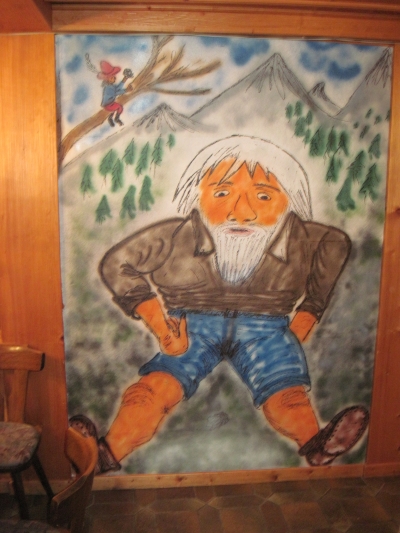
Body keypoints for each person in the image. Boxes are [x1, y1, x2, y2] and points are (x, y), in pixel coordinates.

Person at [70, 135, 369, 474]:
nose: (242, 212)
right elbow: (117, 264)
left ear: (290, 202)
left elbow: (336, 246)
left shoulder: (307, 238)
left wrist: (300, 325)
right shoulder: (175, 235)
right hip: (191, 325)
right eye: (223, 194)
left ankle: (317, 445)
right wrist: (163, 329)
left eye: (264, 196)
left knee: (287, 395)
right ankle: (104, 455)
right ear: (197, 196)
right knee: (152, 392)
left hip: (266, 327)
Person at [97, 60, 133, 127]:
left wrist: (125, 78)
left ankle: (110, 118)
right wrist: (126, 90)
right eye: (112, 77)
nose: (115, 78)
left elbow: (118, 88)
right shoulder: (108, 88)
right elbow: (116, 92)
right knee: (119, 107)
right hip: (108, 105)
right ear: (107, 79)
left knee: (115, 107)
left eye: (114, 77)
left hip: (110, 103)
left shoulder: (111, 86)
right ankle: (116, 118)